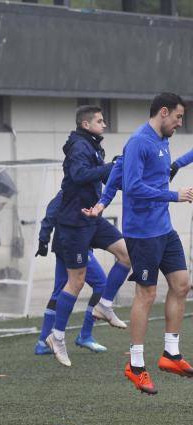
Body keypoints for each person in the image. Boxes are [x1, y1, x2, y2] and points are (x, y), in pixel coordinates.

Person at [95, 93, 193, 394]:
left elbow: (121, 174)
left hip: (163, 229)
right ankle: (135, 365)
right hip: (142, 232)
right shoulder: (140, 141)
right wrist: (173, 195)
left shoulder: (162, 139)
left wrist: (101, 203)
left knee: (181, 284)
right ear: (163, 112)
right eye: (178, 117)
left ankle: (170, 354)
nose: (180, 123)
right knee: (146, 294)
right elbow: (133, 186)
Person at [45, 105, 131, 367]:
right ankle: (55, 337)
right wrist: (109, 167)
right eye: (100, 121)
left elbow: (99, 176)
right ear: (85, 124)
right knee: (76, 281)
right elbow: (79, 175)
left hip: (92, 217)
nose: (104, 124)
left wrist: (116, 168)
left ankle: (104, 305)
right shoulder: (79, 146)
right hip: (73, 223)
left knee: (127, 254)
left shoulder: (92, 144)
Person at [34, 191, 107, 355]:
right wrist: (43, 240)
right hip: (72, 246)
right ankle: (85, 335)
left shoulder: (90, 189)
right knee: (102, 284)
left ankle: (43, 342)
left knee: (59, 290)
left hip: (67, 246)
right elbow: (51, 213)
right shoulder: (71, 189)